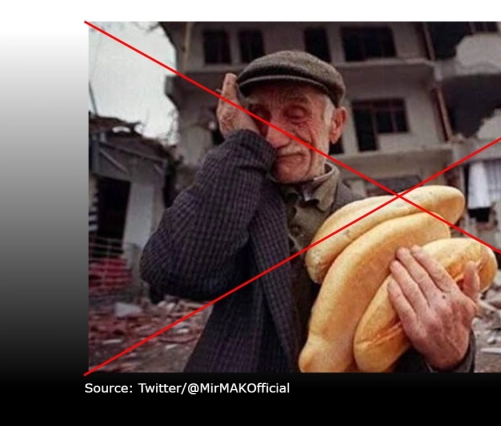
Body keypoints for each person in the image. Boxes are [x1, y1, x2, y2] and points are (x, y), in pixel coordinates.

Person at [139, 50, 480, 373]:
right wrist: (241, 147)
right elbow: (172, 271)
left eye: (296, 115)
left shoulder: (385, 223)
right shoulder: (232, 200)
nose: (273, 137)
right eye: (259, 118)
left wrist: (451, 358)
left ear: (335, 125)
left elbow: (397, 345)